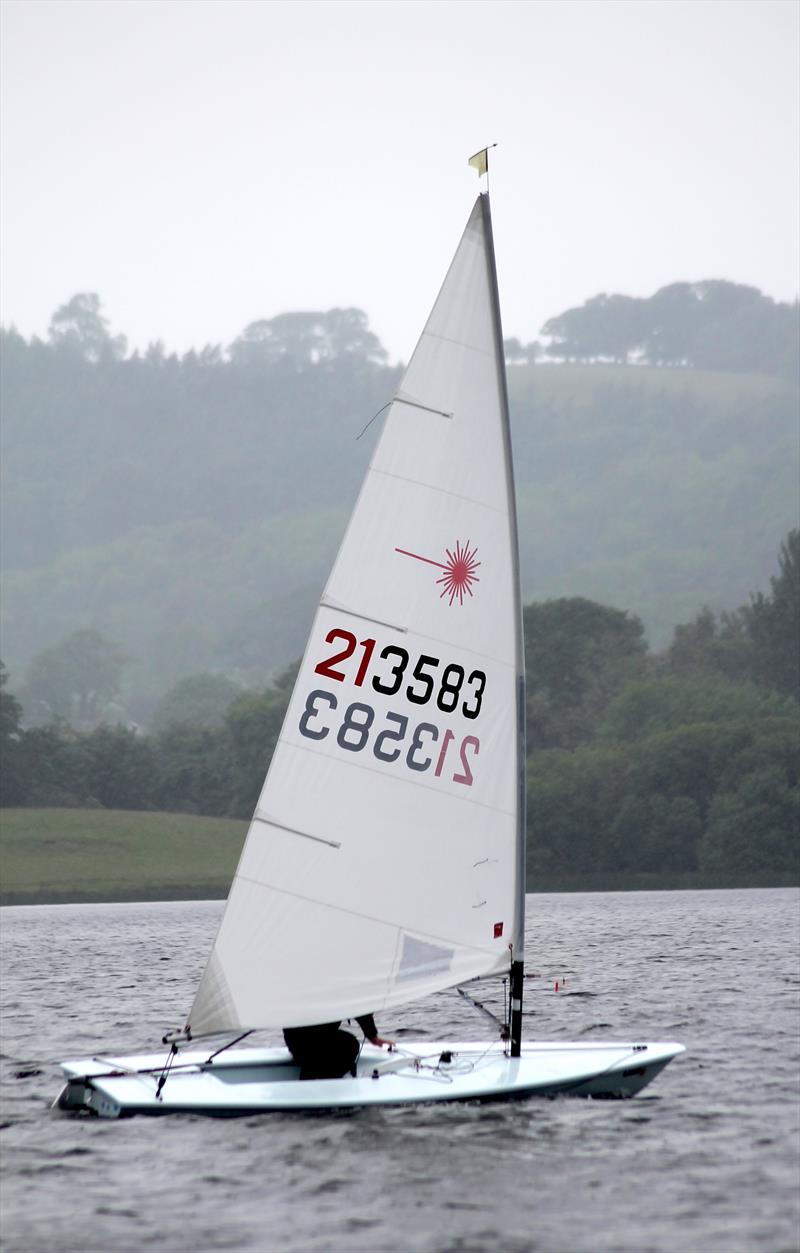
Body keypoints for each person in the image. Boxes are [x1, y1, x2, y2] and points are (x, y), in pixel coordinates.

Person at [283, 1014, 393, 1080]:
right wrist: (372, 1036)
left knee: (346, 1043)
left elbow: (358, 1005)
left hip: (296, 1044)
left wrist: (371, 1035)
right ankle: (318, 1082)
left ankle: (314, 1079)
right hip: (303, 1043)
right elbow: (357, 1001)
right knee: (349, 1045)